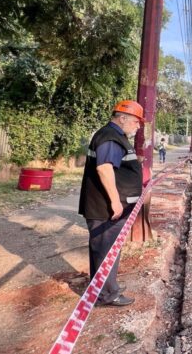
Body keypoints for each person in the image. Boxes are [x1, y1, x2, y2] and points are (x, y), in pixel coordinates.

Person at [78, 100, 144, 307]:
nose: (138, 126)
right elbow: (104, 169)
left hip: (106, 206)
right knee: (106, 250)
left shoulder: (114, 136)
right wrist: (115, 202)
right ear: (122, 118)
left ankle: (105, 285)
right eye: (136, 121)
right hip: (105, 208)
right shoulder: (110, 137)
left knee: (106, 249)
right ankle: (107, 294)